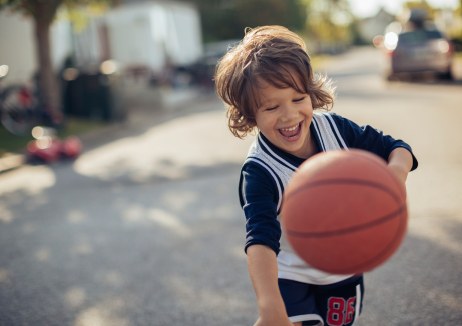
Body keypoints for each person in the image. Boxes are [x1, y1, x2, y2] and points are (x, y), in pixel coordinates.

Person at [214, 25, 418, 326]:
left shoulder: (334, 128)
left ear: (311, 94)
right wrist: (270, 305)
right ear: (249, 115)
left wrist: (393, 178)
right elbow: (260, 241)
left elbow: (398, 149)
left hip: (342, 266)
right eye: (271, 107)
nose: (289, 115)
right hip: (291, 273)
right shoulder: (260, 171)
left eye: (298, 99)